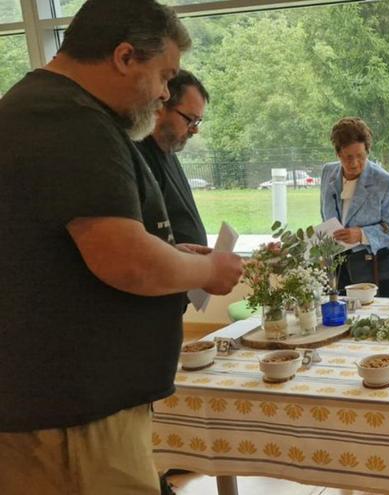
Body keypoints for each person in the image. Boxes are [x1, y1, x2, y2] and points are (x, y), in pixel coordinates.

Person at [0, 2, 243, 494]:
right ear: (125, 56)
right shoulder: (68, 121)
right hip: (74, 418)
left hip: (70, 407)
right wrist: (206, 271)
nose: (161, 93)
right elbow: (126, 260)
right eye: (163, 76)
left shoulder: (52, 111)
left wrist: (178, 257)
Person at [320, 117, 389, 297]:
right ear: (338, 154)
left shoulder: (386, 183)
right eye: (347, 157)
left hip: (380, 266)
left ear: (368, 150)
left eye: (360, 156)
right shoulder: (328, 172)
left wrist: (361, 235)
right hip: (341, 264)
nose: (354, 163)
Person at [135, 69, 209, 247]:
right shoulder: (138, 157)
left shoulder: (167, 150)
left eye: (197, 122)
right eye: (190, 119)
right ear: (160, 106)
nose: (194, 129)